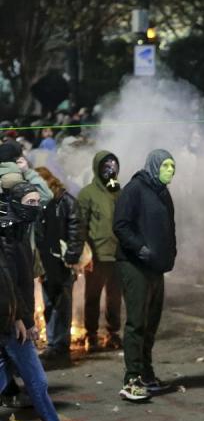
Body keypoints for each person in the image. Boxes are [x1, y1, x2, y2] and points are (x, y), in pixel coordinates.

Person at [114, 149, 177, 401]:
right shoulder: (135, 189)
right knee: (137, 322)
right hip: (134, 265)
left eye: (173, 166)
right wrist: (140, 248)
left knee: (151, 322)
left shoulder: (163, 193)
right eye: (166, 166)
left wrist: (170, 254)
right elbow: (120, 225)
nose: (171, 170)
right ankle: (131, 379)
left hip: (155, 267)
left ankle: (146, 373)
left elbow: (169, 227)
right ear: (154, 166)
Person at [0, 209, 67, 421]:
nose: (35, 206)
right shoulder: (8, 243)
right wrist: (22, 319)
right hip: (10, 321)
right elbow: (8, 287)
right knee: (37, 381)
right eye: (29, 202)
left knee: (7, 372)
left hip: (12, 318)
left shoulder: (15, 238)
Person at [34, 167, 84, 362]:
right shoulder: (42, 203)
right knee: (49, 302)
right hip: (47, 261)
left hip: (62, 261)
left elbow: (76, 229)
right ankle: (54, 342)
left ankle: (59, 344)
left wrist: (72, 255)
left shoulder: (66, 201)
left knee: (61, 302)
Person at [77, 150, 123, 352]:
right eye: (106, 165)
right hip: (96, 254)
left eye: (113, 166)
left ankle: (113, 333)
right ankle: (91, 334)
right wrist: (86, 254)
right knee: (92, 296)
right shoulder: (87, 194)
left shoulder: (118, 192)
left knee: (115, 296)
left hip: (117, 254)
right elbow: (80, 226)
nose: (110, 169)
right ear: (97, 167)